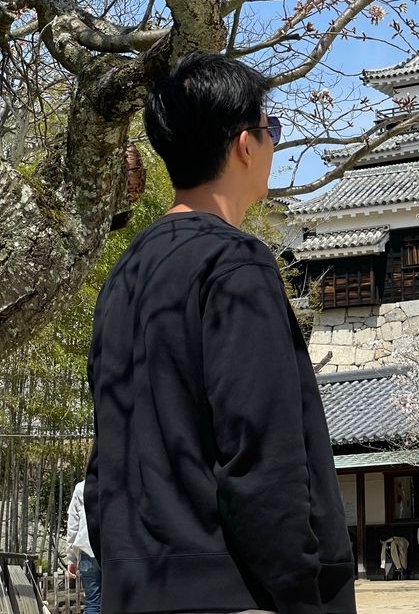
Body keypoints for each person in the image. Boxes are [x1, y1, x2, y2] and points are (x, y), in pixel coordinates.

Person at [85, 53, 356, 614]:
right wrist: (304, 594)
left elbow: (107, 456)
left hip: (135, 588)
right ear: (244, 144)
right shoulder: (236, 266)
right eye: (270, 129)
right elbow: (264, 459)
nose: (273, 145)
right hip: (233, 590)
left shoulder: (126, 275)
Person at [66, 478, 101, 614]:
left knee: (93, 603)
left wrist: (71, 558)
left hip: (87, 550)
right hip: (113, 553)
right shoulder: (118, 483)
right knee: (115, 602)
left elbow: (73, 526)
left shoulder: (81, 487)